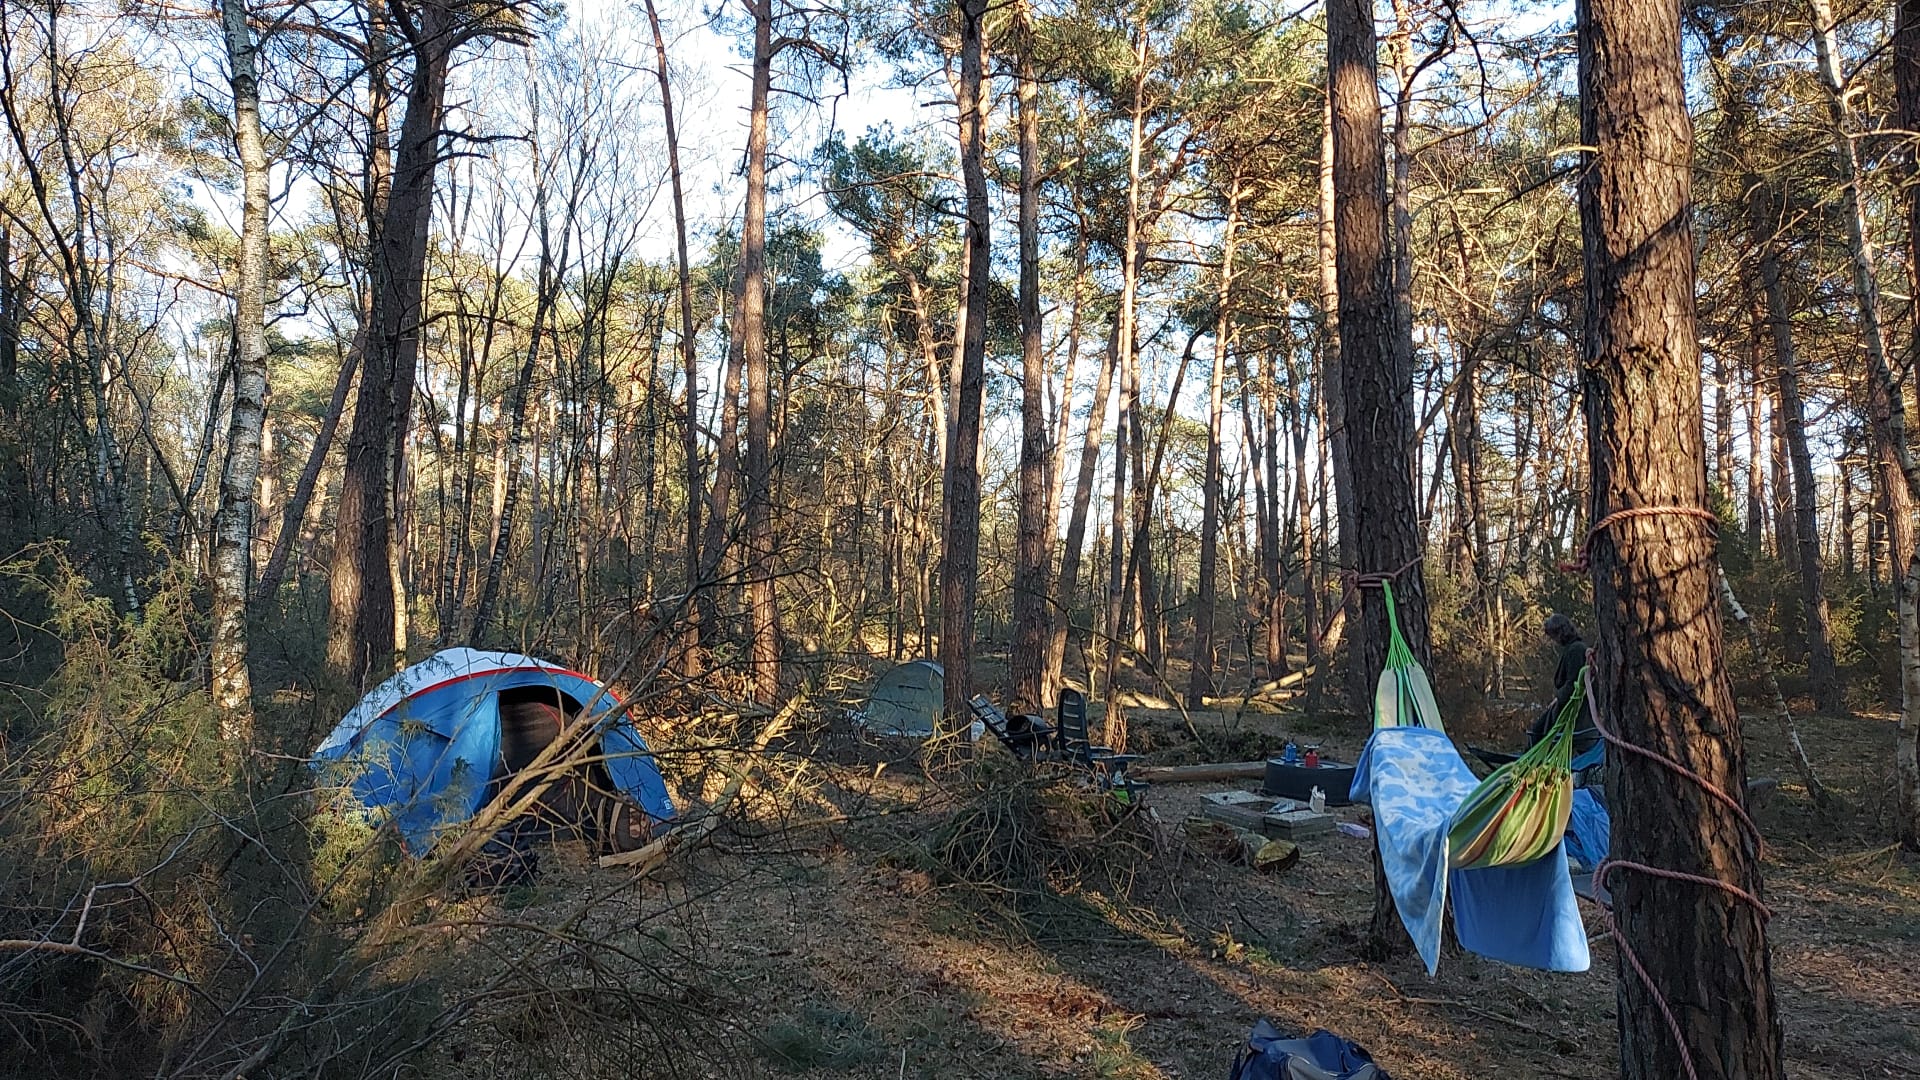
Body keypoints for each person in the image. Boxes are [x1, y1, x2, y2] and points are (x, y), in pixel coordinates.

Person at [1527, 613, 1598, 756]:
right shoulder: (1571, 649)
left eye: (1553, 635)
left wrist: (1558, 698)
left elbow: (1574, 682)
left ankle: (1533, 763)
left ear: (1560, 632)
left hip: (1575, 709)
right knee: (1538, 730)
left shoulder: (1576, 649)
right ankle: (1530, 760)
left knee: (1539, 731)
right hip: (1567, 705)